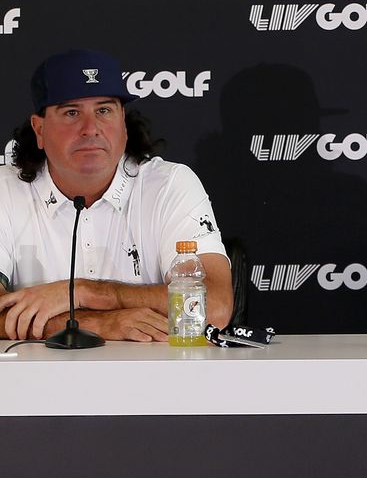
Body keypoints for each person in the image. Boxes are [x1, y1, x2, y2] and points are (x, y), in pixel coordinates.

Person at [0, 50, 232, 342]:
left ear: (123, 122)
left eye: (104, 110)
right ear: (40, 129)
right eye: (71, 112)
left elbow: (216, 306)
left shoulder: (169, 184)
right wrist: (101, 325)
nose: (90, 129)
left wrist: (82, 292)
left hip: (156, 382)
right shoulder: (4, 190)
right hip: (30, 384)